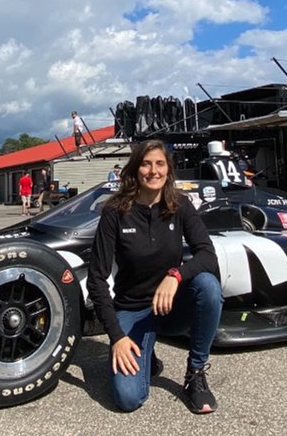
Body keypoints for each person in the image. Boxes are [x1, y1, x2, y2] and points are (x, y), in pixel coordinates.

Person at [87, 139, 224, 414]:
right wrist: (117, 337)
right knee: (128, 399)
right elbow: (97, 279)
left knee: (207, 286)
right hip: (132, 309)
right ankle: (145, 354)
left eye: (160, 164)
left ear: (168, 169)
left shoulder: (181, 205)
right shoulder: (115, 212)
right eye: (146, 164)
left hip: (170, 308)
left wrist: (176, 275)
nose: (153, 171)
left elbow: (207, 255)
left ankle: (195, 374)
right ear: (135, 170)